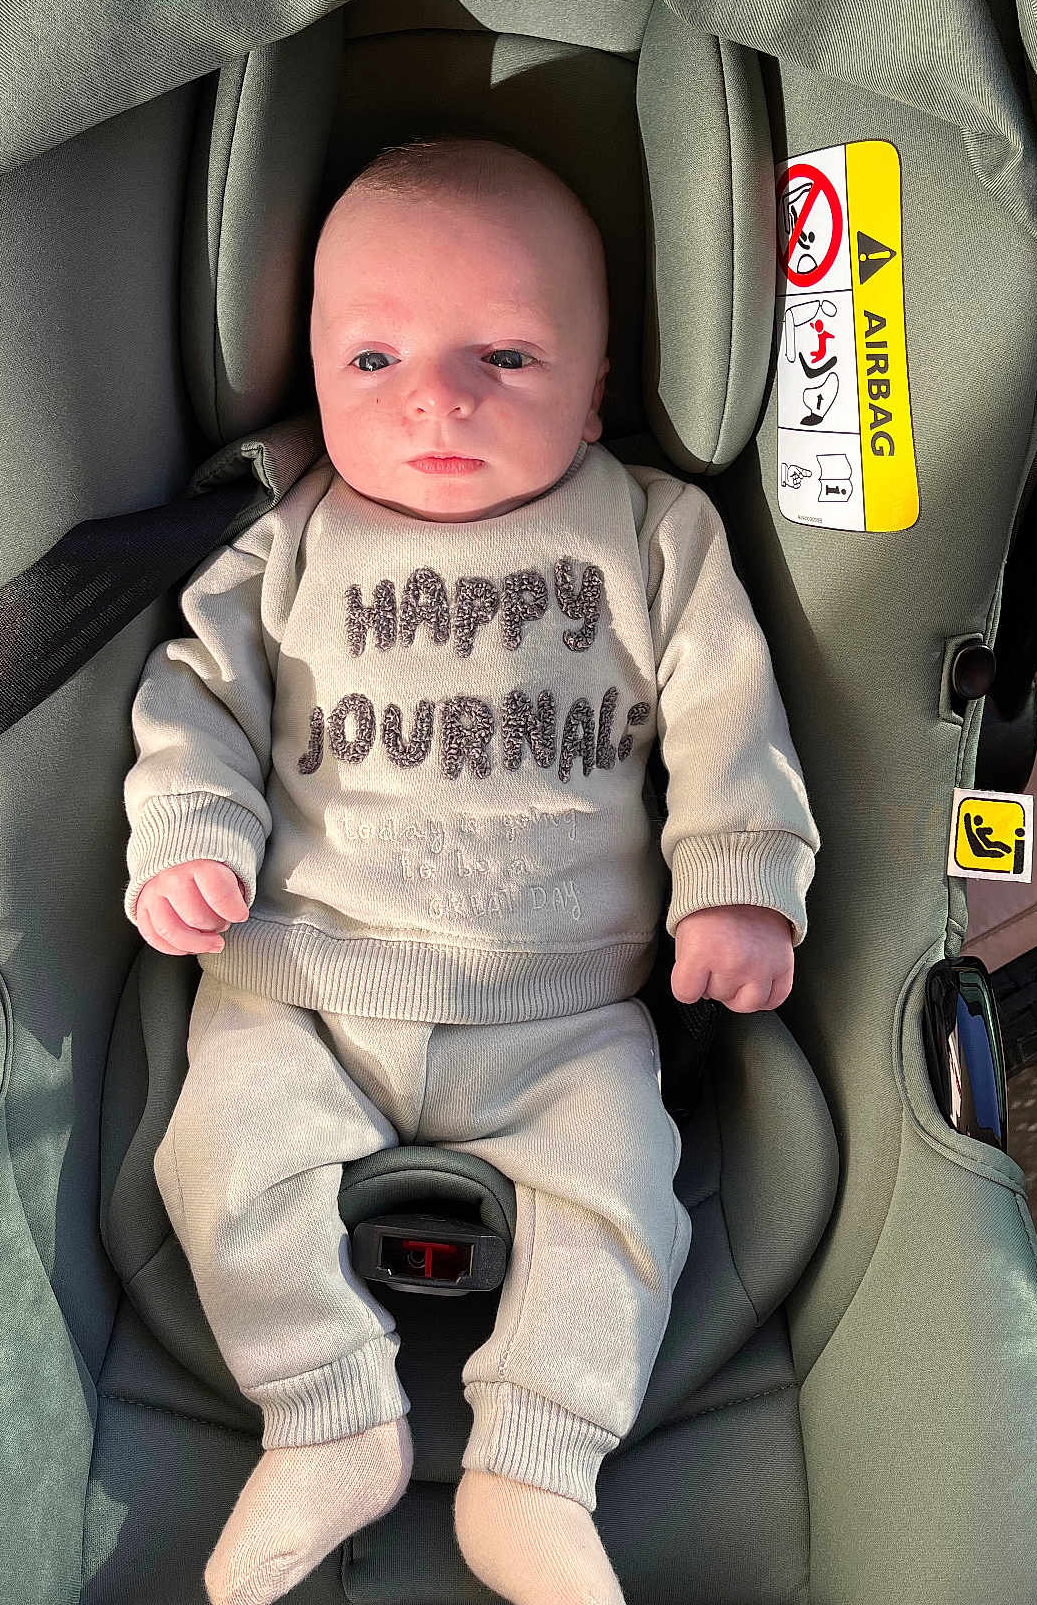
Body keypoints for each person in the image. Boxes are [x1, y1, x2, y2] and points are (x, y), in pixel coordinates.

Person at [124, 137, 819, 1605]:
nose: (435, 399)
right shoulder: (289, 531)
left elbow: (724, 710)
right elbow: (197, 698)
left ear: (601, 375)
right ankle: (326, 1417)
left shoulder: (646, 528)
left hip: (563, 1006)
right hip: (303, 978)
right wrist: (191, 837)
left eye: (504, 354)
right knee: (219, 1159)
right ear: (309, 369)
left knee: (625, 1195)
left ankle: (538, 1469)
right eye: (373, 358)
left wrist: (740, 879)